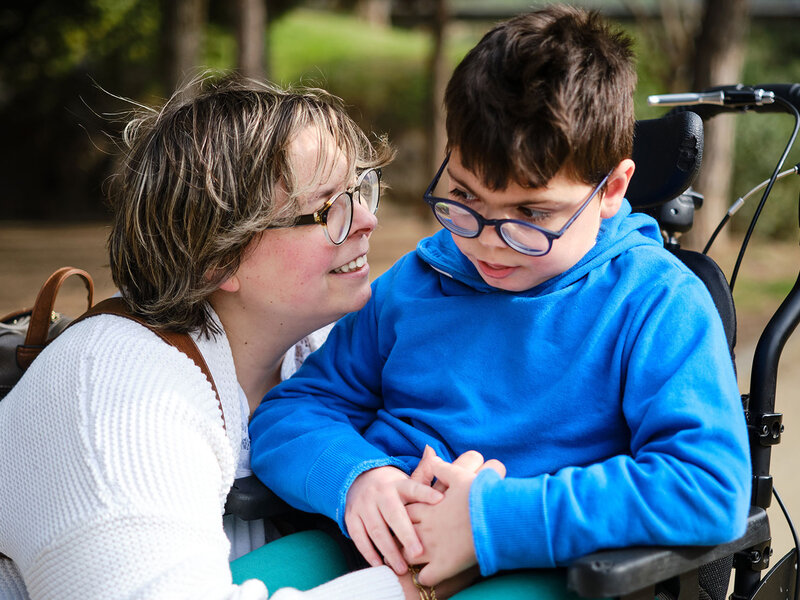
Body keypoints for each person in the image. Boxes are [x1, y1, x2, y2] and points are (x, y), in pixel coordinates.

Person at [248, 5, 751, 597]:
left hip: (538, 563)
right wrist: (359, 477)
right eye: (464, 196)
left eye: (531, 214)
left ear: (612, 189)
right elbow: (292, 411)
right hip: (373, 541)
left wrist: (492, 518)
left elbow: (706, 486)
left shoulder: (657, 303)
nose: (487, 240)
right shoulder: (417, 281)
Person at [0, 75, 452, 599]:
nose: (369, 220)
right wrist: (413, 581)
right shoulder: (118, 393)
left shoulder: (329, 350)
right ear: (218, 257)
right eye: (328, 207)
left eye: (360, 189)